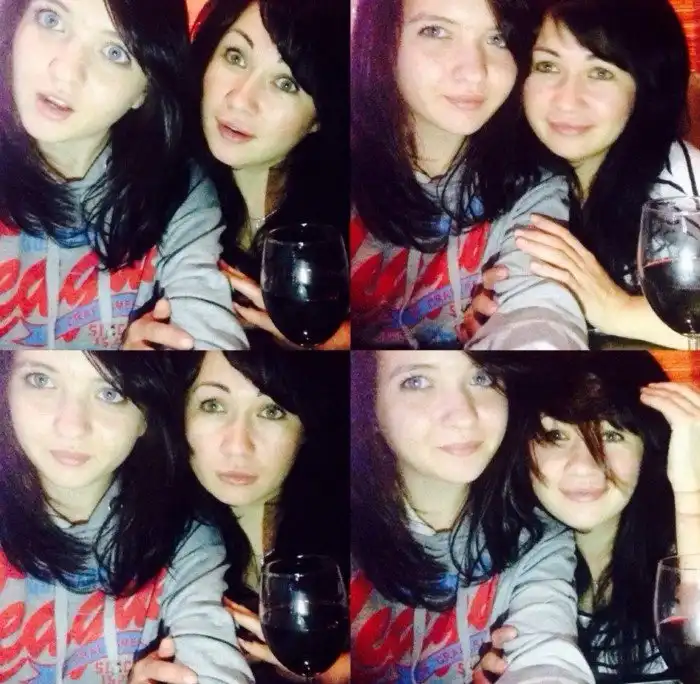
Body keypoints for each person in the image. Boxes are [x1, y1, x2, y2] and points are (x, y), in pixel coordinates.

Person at [0, 0, 248, 350]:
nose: (66, 71)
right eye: (51, 19)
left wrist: (135, 364)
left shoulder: (176, 190)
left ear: (144, 89)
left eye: (114, 52)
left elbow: (206, 320)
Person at [0, 350, 253, 683]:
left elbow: (212, 659)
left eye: (110, 392)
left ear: (144, 417)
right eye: (41, 380)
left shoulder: (184, 539)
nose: (72, 427)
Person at [350, 0, 588, 351]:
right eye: (436, 31)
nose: (475, 72)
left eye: (498, 38)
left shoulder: (533, 186)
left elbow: (540, 312)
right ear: (381, 41)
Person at [350, 350, 595, 684]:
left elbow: (548, 652)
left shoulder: (536, 538)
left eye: (482, 377)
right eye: (417, 381)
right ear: (371, 405)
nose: (463, 415)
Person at [477, 352, 700, 682]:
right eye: (555, 436)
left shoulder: (683, 545)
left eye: (611, 435)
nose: (583, 465)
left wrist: (691, 495)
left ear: (648, 448)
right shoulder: (494, 575)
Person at [511, 0, 698, 348]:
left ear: (646, 86)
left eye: (600, 72)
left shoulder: (685, 188)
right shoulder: (522, 180)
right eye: (548, 65)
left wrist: (618, 309)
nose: (566, 100)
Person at [178, 350, 350, 682]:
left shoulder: (358, 533)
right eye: (213, 405)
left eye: (271, 411)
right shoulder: (166, 553)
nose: (238, 446)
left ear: (304, 427)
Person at [188, 0, 350, 350]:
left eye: (286, 83)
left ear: (319, 117)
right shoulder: (169, 201)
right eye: (235, 57)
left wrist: (332, 344)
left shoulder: (347, 225)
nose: (240, 99)